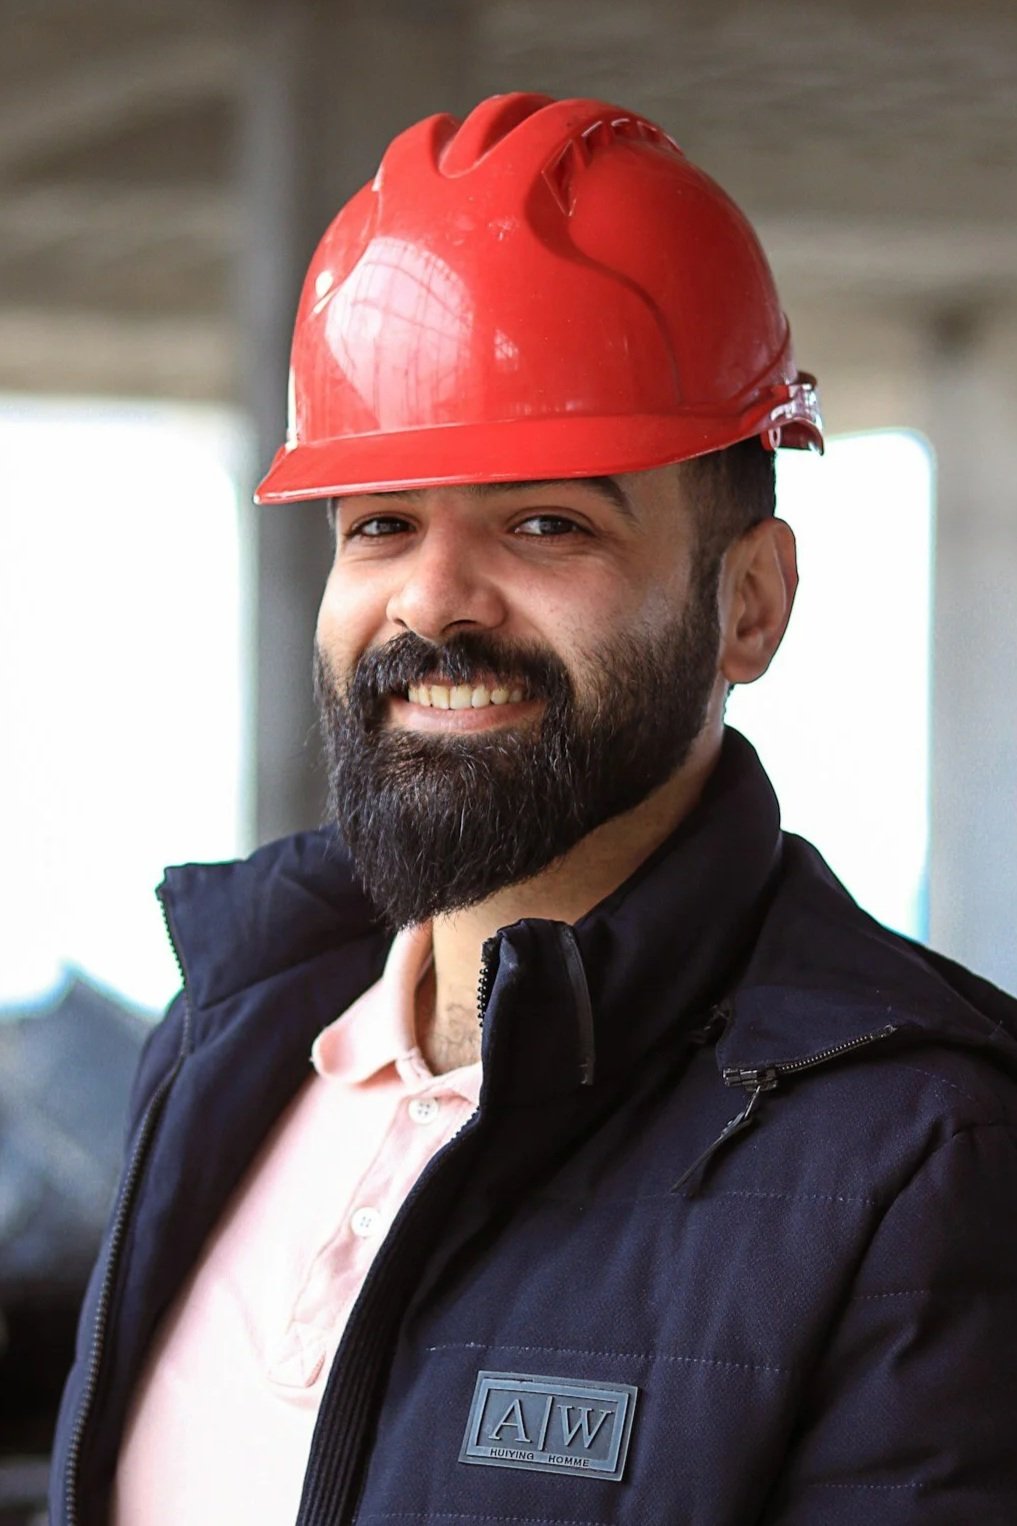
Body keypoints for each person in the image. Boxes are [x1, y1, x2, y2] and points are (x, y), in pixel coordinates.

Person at [52, 92, 1017, 1526]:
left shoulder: (919, 1149)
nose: (431, 598)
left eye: (545, 523)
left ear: (748, 601)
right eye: (380, 521)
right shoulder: (230, 1034)